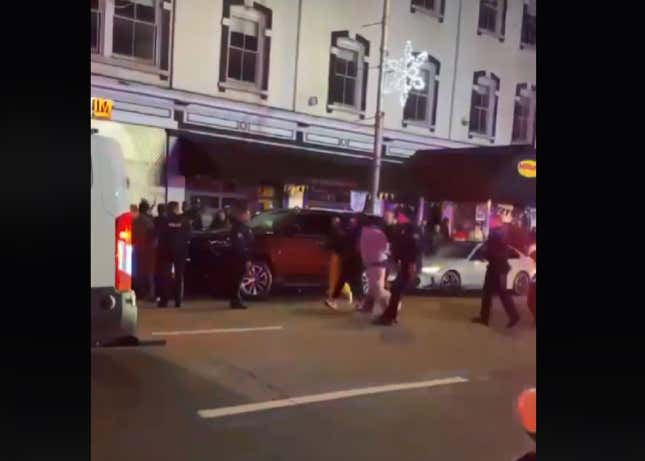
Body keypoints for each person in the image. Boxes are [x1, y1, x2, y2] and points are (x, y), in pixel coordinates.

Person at [373, 210, 421, 326]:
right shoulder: (404, 229)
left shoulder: (412, 230)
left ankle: (389, 317)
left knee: (396, 289)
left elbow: (414, 248)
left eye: (400, 217)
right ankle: (390, 316)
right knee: (396, 290)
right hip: (406, 264)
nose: (398, 219)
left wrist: (412, 266)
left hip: (409, 265)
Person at [472, 215, 520, 328]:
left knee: (489, 293)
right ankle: (513, 316)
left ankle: (485, 318)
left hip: (496, 268)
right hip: (499, 267)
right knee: (500, 293)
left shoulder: (496, 234)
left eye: (491, 221)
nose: (489, 223)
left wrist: (485, 254)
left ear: (495, 222)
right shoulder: (501, 233)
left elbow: (493, 251)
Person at [157, 201, 191, 308]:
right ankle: (178, 301)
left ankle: (164, 301)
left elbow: (160, 237)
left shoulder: (164, 221)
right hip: (180, 252)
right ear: (177, 209)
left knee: (165, 276)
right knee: (178, 276)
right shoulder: (185, 221)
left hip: (166, 252)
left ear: (168, 209)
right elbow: (189, 237)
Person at [326, 216, 363, 310]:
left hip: (349, 258)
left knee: (344, 279)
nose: (352, 221)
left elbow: (342, 243)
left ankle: (333, 300)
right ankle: (360, 302)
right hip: (355, 258)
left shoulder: (350, 231)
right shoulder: (357, 231)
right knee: (356, 280)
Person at [358, 215, 391, 317]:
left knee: (377, 289)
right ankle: (369, 307)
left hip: (372, 263)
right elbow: (386, 248)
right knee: (375, 288)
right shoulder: (379, 233)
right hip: (378, 263)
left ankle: (389, 310)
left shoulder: (363, 232)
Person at [229, 205, 254, 309]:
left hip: (240, 257)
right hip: (239, 258)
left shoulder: (242, 227)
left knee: (238, 279)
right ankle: (235, 300)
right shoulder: (239, 228)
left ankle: (235, 299)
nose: (249, 216)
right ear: (242, 215)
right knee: (237, 279)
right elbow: (240, 245)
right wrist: (246, 259)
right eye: (248, 214)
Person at [326, 216, 353, 305]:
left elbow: (334, 244)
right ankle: (334, 297)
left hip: (339, 256)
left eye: (335, 221)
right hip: (338, 256)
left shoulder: (339, 233)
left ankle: (337, 297)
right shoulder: (340, 233)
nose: (333, 223)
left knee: (338, 278)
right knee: (337, 278)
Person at [132, 199, 155, 300]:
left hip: (135, 248)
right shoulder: (149, 221)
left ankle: (138, 292)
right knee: (148, 272)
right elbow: (152, 235)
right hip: (147, 249)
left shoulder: (134, 220)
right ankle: (149, 293)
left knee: (137, 271)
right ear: (146, 210)